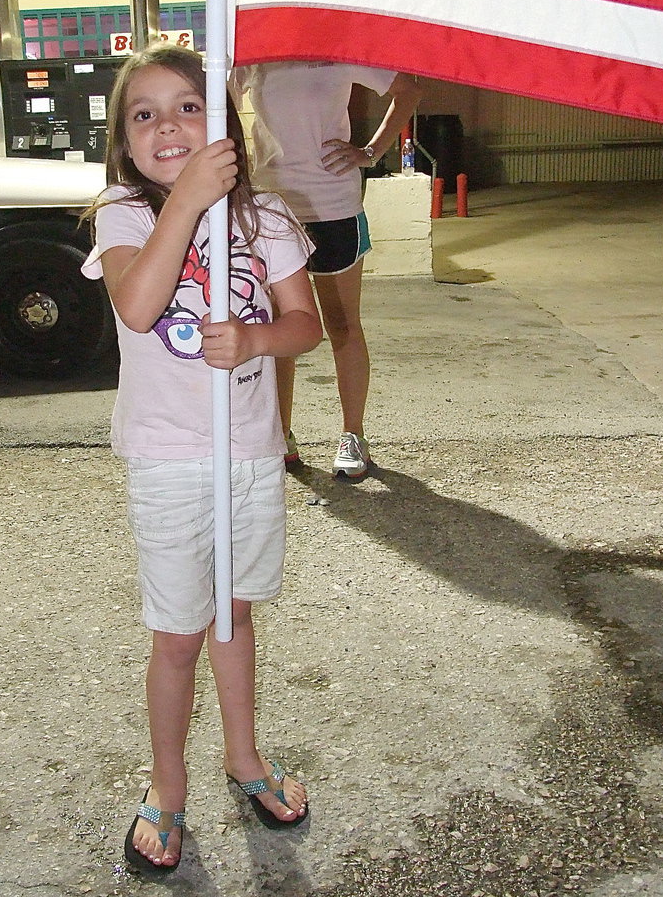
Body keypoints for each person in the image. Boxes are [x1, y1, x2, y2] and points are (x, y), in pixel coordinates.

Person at [80, 44, 323, 875]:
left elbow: (304, 324)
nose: (167, 126)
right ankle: (169, 779)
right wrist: (183, 203)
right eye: (142, 115)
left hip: (248, 453)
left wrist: (254, 337)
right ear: (122, 142)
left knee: (235, 614)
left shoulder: (269, 220)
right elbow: (141, 306)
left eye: (188, 107)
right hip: (167, 458)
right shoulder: (124, 213)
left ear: (223, 125)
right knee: (178, 632)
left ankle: (243, 756)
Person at [233, 62, 419, 479]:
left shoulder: (341, 50)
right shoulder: (257, 53)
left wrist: (369, 151)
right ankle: (279, 435)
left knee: (341, 324)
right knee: (278, 327)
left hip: (333, 204)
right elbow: (220, 104)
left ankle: (353, 435)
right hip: (272, 206)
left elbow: (408, 90)